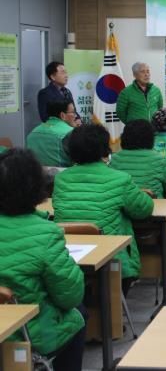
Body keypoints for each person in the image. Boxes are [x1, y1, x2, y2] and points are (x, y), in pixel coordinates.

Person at [0, 148, 87, 370]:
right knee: (78, 315)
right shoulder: (47, 233)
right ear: (37, 186)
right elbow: (71, 296)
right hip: (27, 336)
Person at [53, 124, 154, 292]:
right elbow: (144, 209)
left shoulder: (61, 179)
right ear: (104, 149)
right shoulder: (120, 179)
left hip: (66, 257)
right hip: (110, 258)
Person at [110, 120, 166, 199]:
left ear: (124, 137)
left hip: (121, 205)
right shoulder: (158, 159)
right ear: (151, 138)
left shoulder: (114, 159)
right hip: (154, 204)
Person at [26, 98, 76, 167]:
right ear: (62, 115)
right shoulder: (71, 133)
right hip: (64, 173)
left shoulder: (32, 133)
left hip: (37, 173)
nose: (75, 116)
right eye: (73, 112)